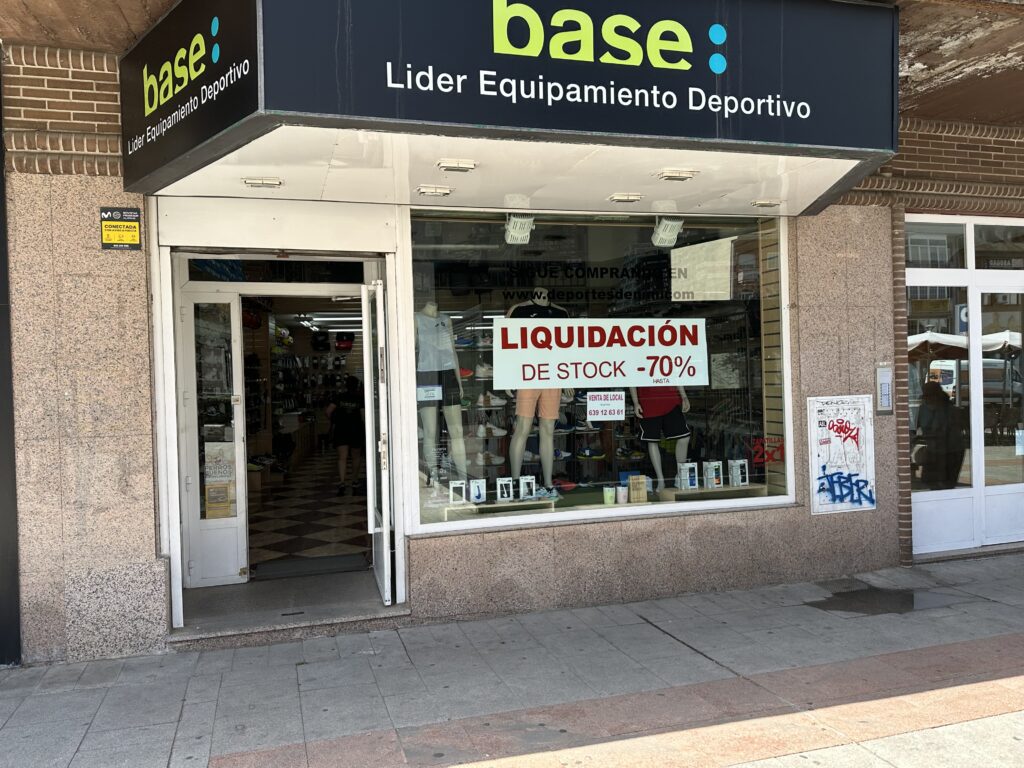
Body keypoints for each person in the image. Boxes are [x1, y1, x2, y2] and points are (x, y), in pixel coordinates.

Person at [916, 381, 959, 490]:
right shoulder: (923, 409)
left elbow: (944, 433)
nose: (926, 400)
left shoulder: (948, 410)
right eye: (925, 397)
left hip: (951, 451)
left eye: (929, 397)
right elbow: (915, 427)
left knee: (945, 484)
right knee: (929, 482)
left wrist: (925, 437)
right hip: (933, 450)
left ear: (936, 396)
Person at [326, 375, 364, 495]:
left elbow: (328, 411)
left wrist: (334, 420)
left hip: (341, 429)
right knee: (356, 456)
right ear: (357, 386)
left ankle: (342, 481)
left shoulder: (339, 397)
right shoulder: (360, 398)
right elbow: (363, 416)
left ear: (346, 385)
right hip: (356, 430)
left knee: (342, 457)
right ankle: (354, 480)